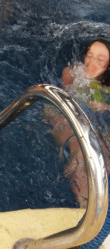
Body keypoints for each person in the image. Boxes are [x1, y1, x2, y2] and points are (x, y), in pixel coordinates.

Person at [46, 39, 110, 207]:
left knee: (102, 154)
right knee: (81, 153)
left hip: (98, 121)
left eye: (100, 60)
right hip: (70, 114)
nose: (92, 62)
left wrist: (105, 107)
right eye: (90, 56)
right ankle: (84, 203)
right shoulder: (71, 72)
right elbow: (65, 96)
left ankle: (95, 203)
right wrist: (84, 81)